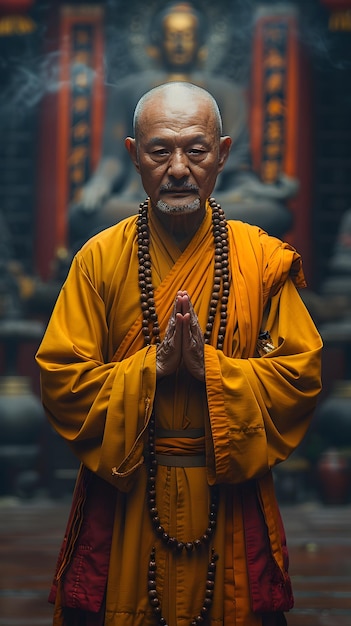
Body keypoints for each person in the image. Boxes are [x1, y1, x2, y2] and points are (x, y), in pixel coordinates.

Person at [36, 82, 322, 626]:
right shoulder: (99, 258)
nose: (178, 169)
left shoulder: (260, 259)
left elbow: (300, 375)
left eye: (196, 150)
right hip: (126, 498)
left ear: (224, 154)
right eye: (159, 150)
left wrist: (209, 371)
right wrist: (154, 368)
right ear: (131, 155)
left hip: (229, 494)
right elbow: (61, 378)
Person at [69, 1, 296, 250]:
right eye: (172, 36)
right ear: (155, 42)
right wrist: (100, 183)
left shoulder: (226, 93)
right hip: (139, 198)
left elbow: (236, 166)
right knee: (83, 215)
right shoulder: (129, 91)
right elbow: (112, 159)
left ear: (202, 43)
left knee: (272, 213)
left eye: (187, 36)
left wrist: (257, 190)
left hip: (217, 197)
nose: (179, 43)